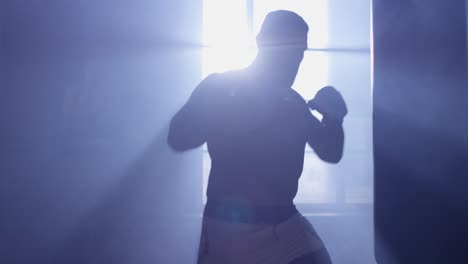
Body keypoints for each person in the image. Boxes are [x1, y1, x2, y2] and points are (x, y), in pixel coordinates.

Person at [168, 10, 347, 264]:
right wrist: (221, 112)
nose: (295, 60)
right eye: (289, 49)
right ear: (263, 42)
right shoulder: (220, 87)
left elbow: (331, 152)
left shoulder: (292, 103)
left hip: (283, 223)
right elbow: (177, 137)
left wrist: (334, 119)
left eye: (300, 52)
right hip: (227, 227)